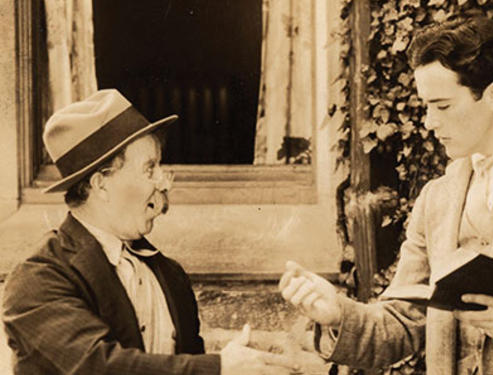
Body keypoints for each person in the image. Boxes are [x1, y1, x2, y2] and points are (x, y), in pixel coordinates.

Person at [279, 15, 493, 375]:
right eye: (426, 107)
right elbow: (404, 320)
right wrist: (338, 312)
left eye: (443, 106)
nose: (430, 122)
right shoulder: (438, 198)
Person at [2, 89, 299, 375]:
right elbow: (98, 367)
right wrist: (219, 368)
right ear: (101, 183)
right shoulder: (37, 278)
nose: (164, 182)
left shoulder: (171, 276)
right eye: (149, 168)